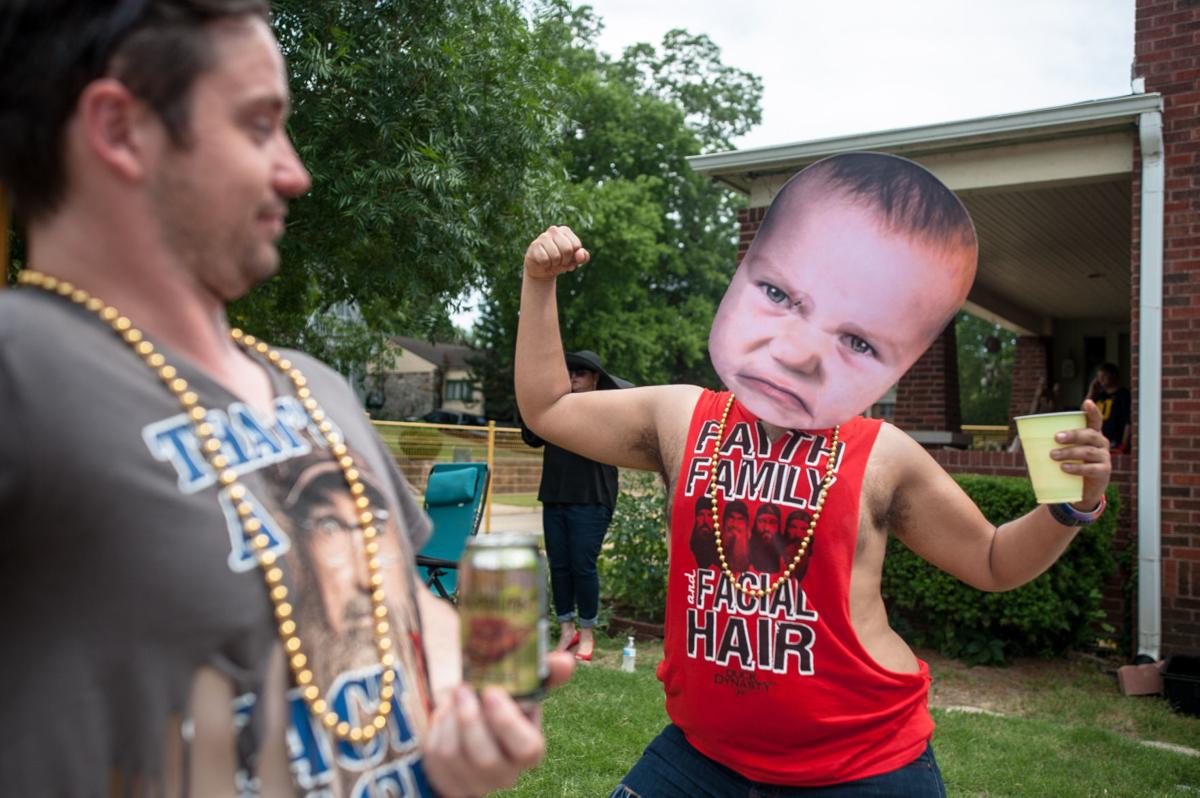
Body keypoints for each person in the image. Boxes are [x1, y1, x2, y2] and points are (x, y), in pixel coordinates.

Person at [0, 2, 570, 795]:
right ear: (121, 129)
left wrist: (468, 709)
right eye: (260, 125)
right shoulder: (23, 372)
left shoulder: (318, 387)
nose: (295, 171)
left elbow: (405, 608)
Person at [515, 152, 1113, 795]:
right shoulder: (681, 417)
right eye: (778, 295)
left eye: (857, 341)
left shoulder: (883, 453)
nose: (799, 353)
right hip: (704, 755)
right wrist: (539, 283)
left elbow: (994, 561)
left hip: (863, 766)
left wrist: (1067, 505)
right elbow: (549, 408)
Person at [521, 350, 627, 662]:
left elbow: (630, 399)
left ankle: (588, 633)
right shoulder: (555, 409)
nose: (573, 376)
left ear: (595, 377)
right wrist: (529, 393)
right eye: (570, 371)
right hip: (555, 495)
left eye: (581, 372)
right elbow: (530, 436)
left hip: (592, 498)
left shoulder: (607, 408)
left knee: (583, 566)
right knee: (559, 566)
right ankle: (567, 630)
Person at [1088, 363, 1131, 453]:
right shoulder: (1099, 396)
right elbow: (1085, 411)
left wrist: (1124, 445)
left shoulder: (1123, 395)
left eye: (1104, 375)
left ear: (1113, 376)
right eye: (1098, 376)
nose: (1101, 379)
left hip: (1115, 443)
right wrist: (1091, 390)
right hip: (1099, 442)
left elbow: (1128, 421)